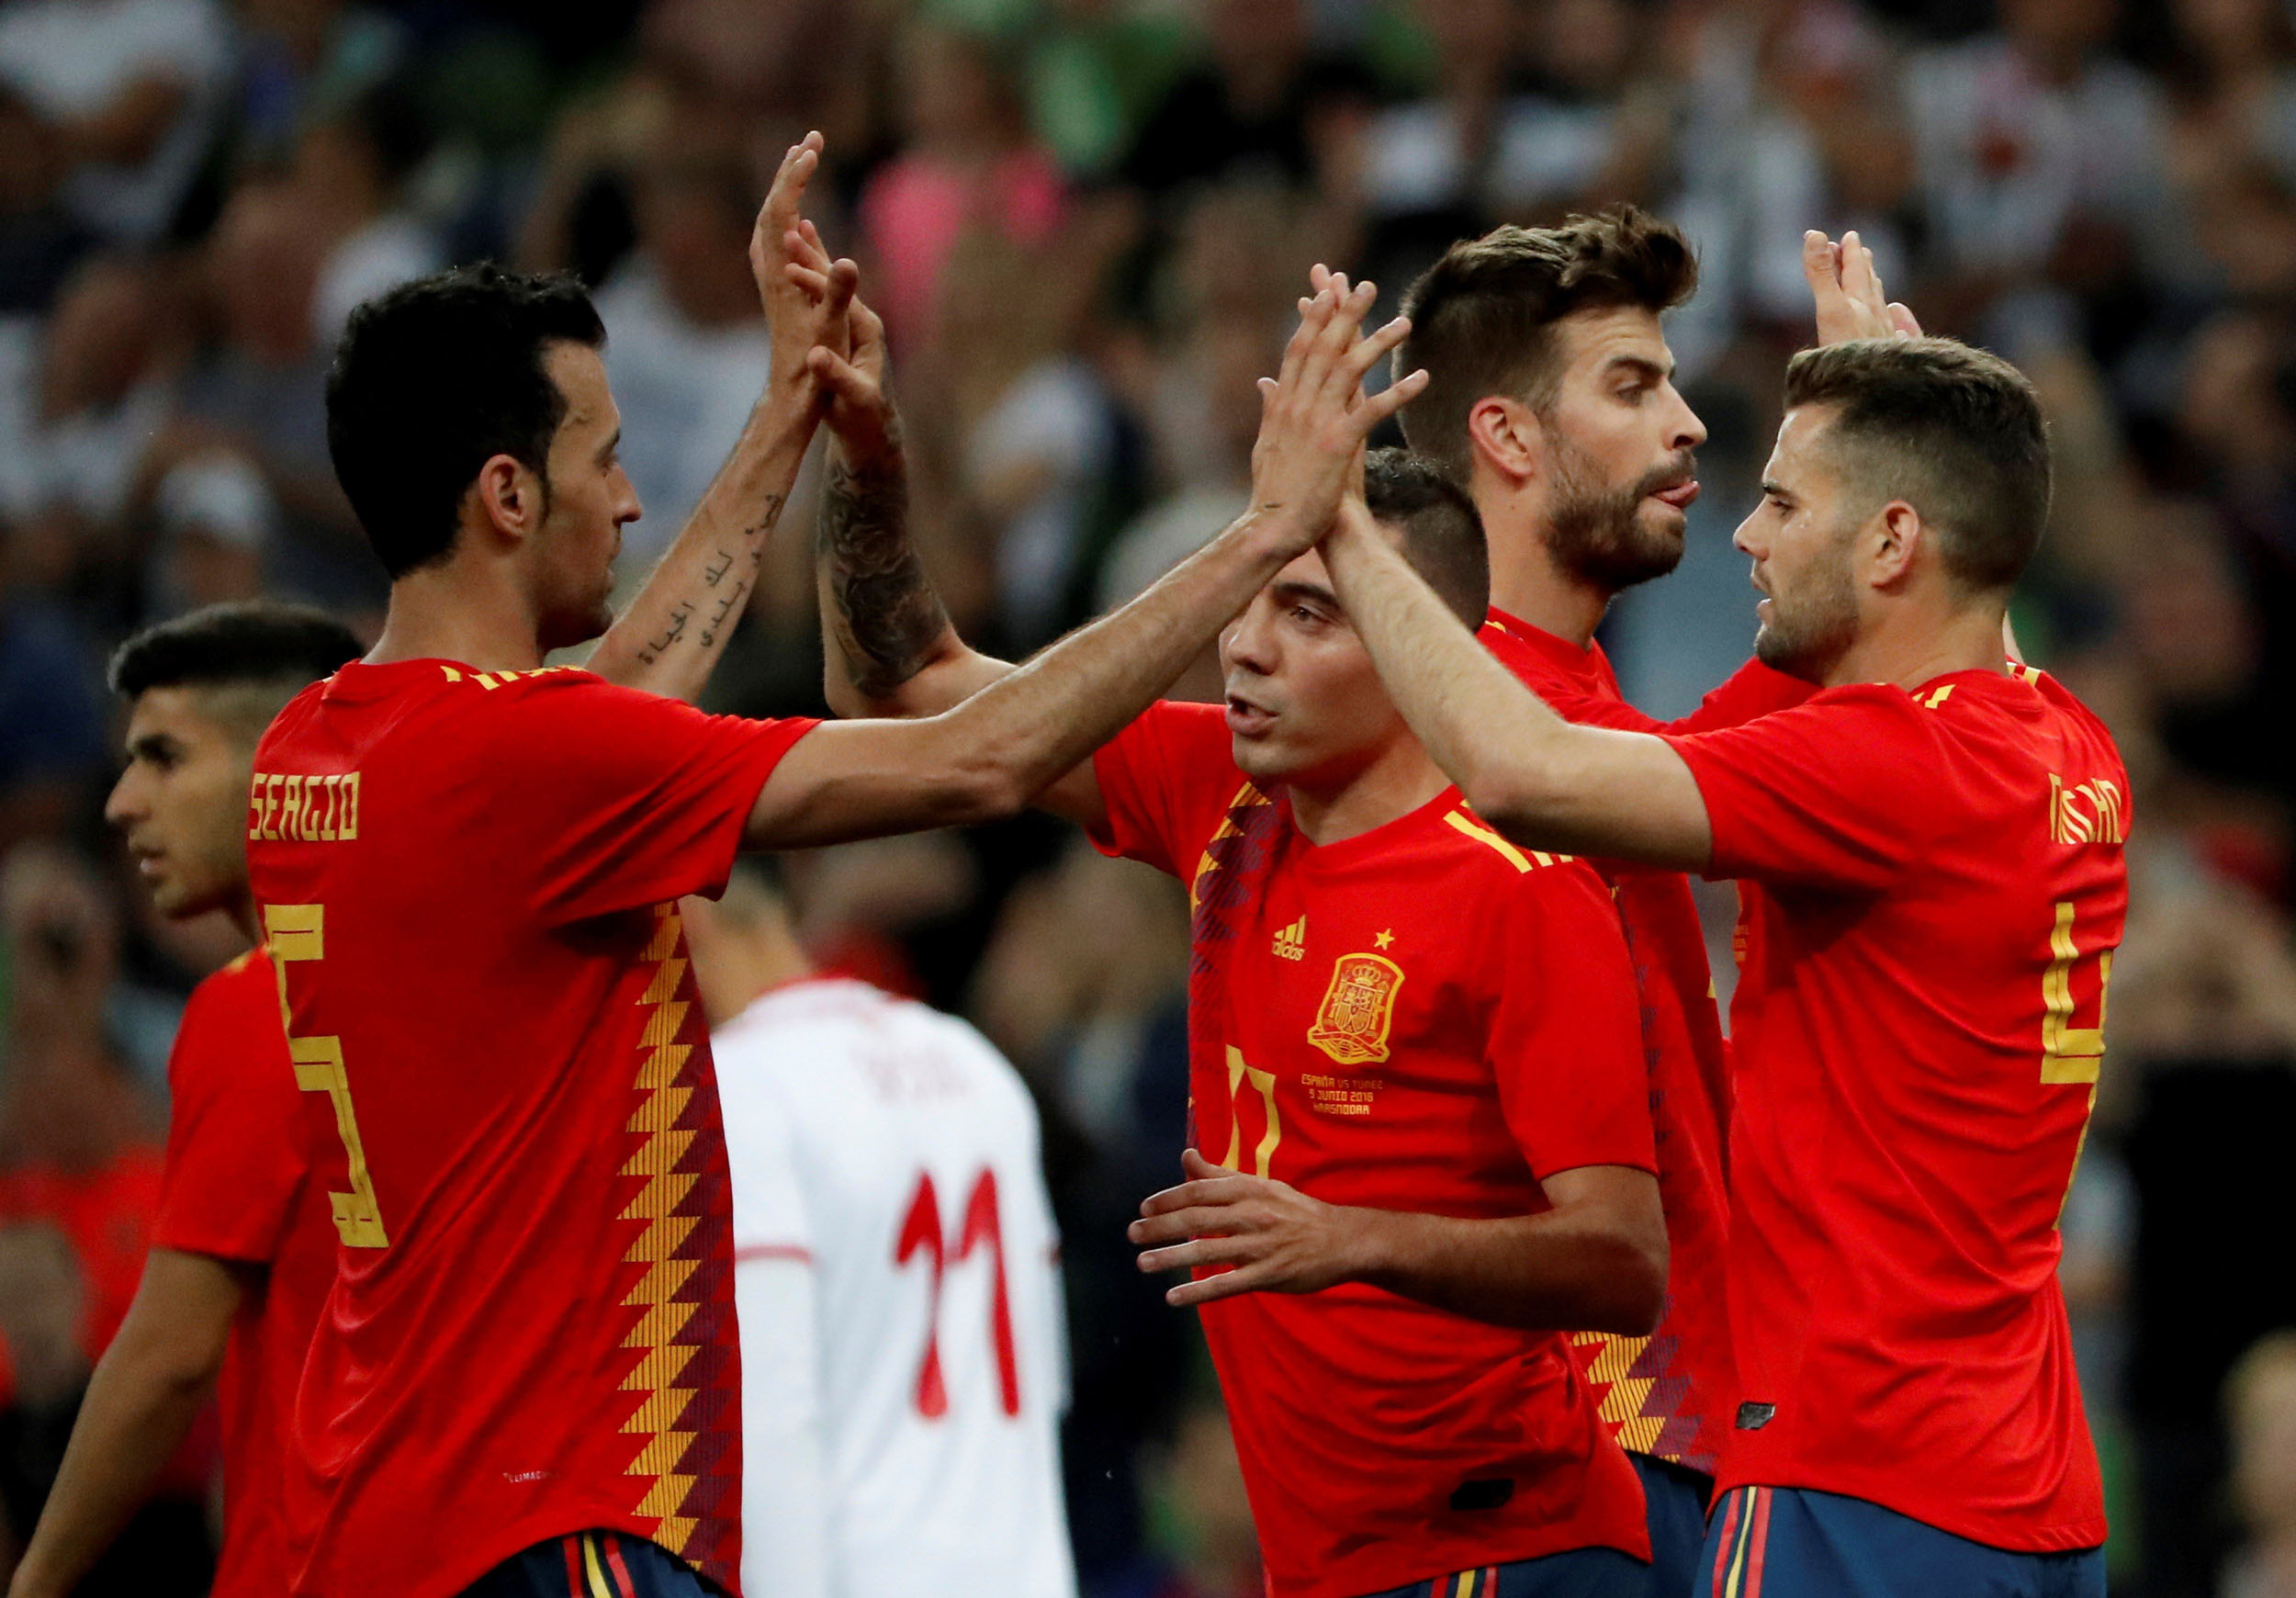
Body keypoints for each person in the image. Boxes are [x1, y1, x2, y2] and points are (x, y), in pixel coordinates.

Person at [246, 124, 1423, 1597]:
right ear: (504, 496)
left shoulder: (318, 748)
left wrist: (791, 412)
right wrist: (1261, 539)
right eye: (604, 465)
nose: (626, 503)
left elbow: (603, 713)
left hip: (378, 1498)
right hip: (551, 1514)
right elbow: (974, 756)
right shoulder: (526, 763)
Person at [804, 250, 1670, 1596]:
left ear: (1414, 646)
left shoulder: (1521, 887)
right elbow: (903, 683)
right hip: (1328, 1564)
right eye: (1247, 609)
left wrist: (1352, 1237)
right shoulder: (1220, 783)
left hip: (1515, 1557)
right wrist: (864, 456)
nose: (1246, 651)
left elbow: (1623, 1261)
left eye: (1308, 612)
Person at [1317, 286, 2121, 1597]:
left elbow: (1529, 777)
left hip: (1852, 1479)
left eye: (1791, 505)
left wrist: (1339, 530)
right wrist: (1903, 413)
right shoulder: (2064, 744)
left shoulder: (1885, 770)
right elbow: (1959, 614)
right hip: (2031, 1493)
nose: (1743, 531)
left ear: (1894, 541)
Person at [1381, 208, 1821, 1588]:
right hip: (1541, 1456)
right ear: (1509, 438)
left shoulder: (1599, 725)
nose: (1687, 423)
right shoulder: (1386, 725)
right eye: (1633, 386)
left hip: (1677, 1446)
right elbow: (931, 707)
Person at [6, 602, 361, 1598]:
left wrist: (34, 1582)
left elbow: (167, 1357)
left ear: (284, 769)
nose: (120, 802)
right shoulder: (444, 982)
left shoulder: (265, 1005)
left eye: (164, 758)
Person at [682, 861, 1075, 1598]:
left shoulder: (739, 1089)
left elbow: (768, 1420)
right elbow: (1049, 1380)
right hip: (1028, 1572)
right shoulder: (973, 1060)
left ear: (687, 918)